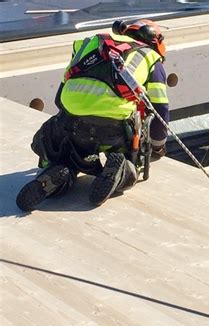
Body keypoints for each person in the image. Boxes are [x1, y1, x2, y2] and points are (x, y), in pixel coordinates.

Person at [16, 19, 170, 212]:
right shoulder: (150, 57)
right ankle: (121, 169)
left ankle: (61, 173)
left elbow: (60, 98)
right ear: (155, 41)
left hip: (70, 124)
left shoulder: (90, 44)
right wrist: (158, 146)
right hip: (114, 130)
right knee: (132, 158)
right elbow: (160, 109)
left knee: (68, 152)